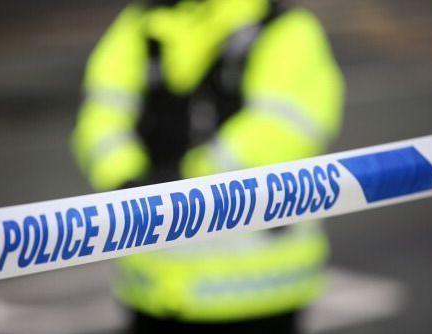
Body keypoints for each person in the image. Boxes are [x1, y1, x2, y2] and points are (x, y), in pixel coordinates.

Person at [71, 0, 344, 332]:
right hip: (153, 292)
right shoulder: (139, 24)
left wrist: (186, 180)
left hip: (258, 292)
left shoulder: (285, 28)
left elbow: (281, 130)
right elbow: (102, 112)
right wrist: (125, 179)